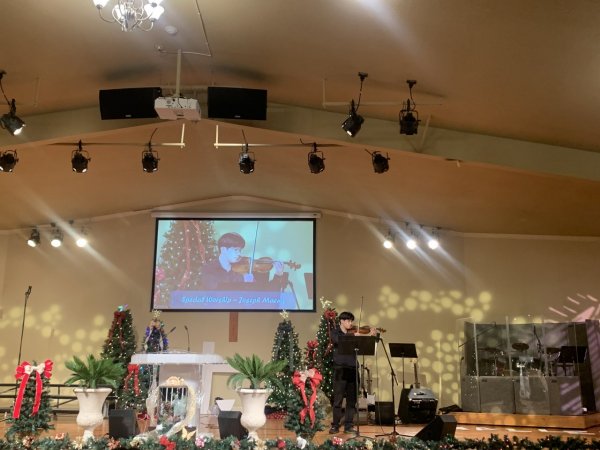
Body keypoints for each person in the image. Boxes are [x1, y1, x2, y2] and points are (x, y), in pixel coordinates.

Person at [330, 311, 376, 434]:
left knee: (352, 400)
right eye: (348, 321)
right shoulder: (335, 332)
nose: (350, 323)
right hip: (340, 369)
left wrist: (370, 336)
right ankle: (335, 425)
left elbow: (365, 345)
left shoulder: (353, 334)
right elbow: (338, 341)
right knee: (338, 400)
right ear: (342, 321)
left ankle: (349, 425)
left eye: (351, 321)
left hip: (353, 369)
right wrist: (353, 336)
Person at [202, 232, 285, 290]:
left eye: (240, 250)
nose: (239, 254)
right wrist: (243, 279)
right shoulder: (209, 268)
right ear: (223, 249)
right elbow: (215, 286)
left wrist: (278, 275)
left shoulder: (243, 271)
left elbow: (264, 294)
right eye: (236, 250)